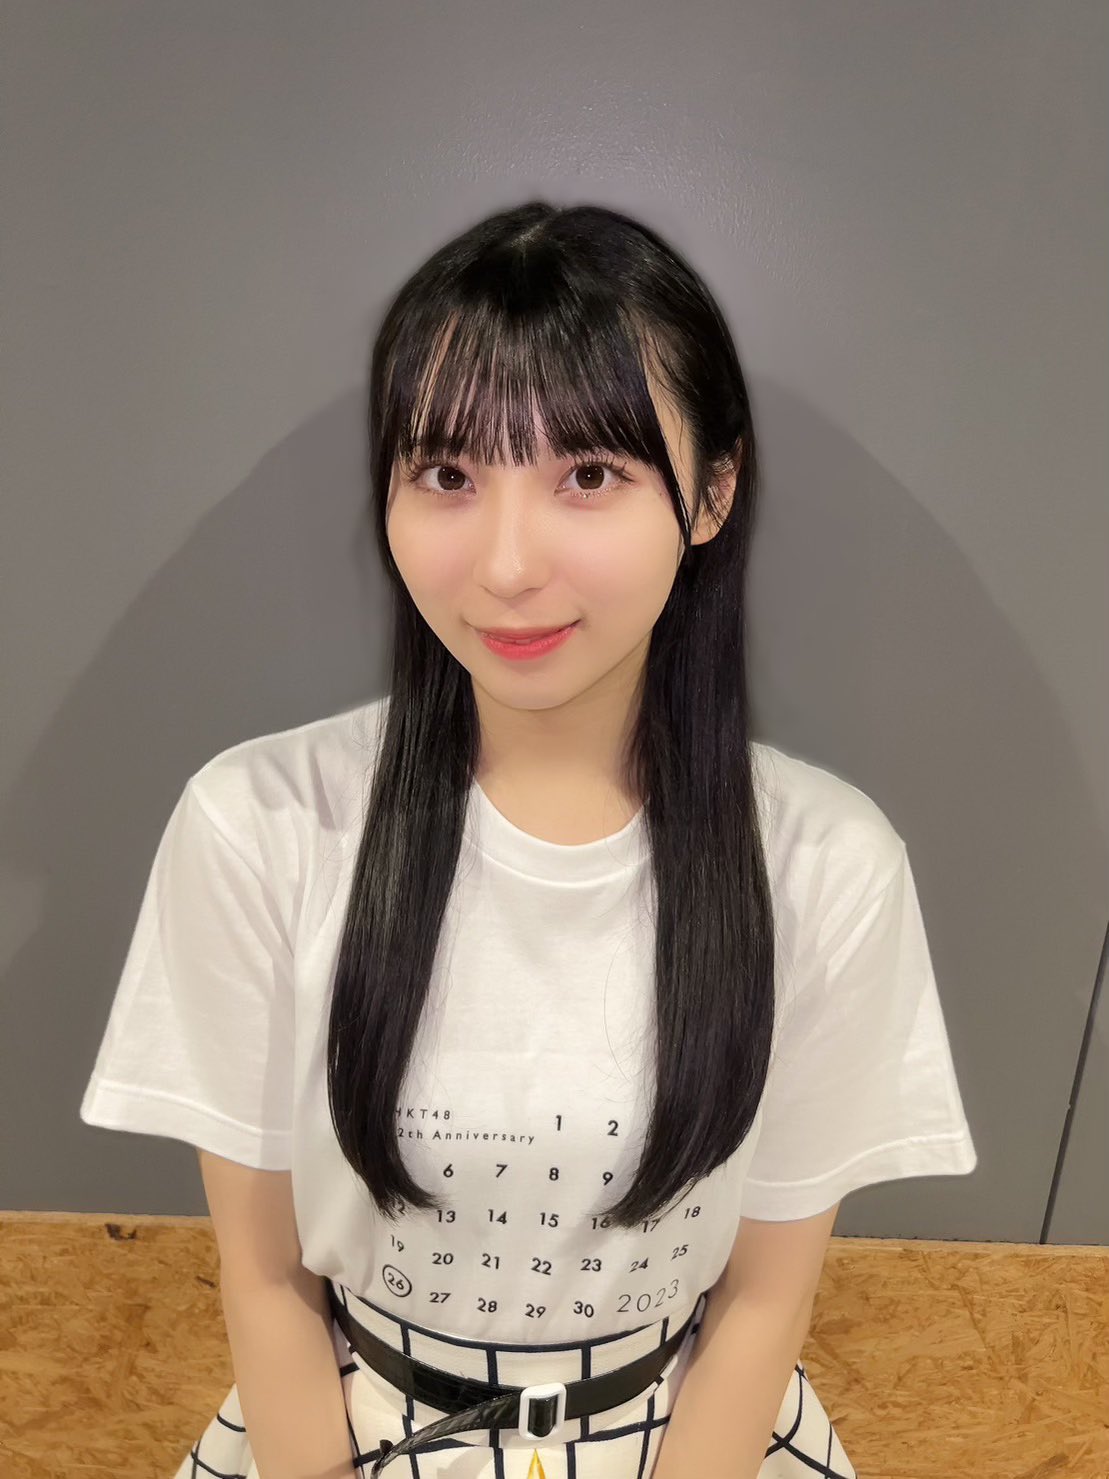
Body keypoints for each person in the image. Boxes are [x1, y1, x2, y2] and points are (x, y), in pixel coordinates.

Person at [79, 199, 978, 1478]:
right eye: (448, 476)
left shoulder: (827, 868)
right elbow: (266, 1279)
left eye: (589, 476)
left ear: (712, 492)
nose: (504, 565)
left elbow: (763, 1302)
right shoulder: (259, 827)